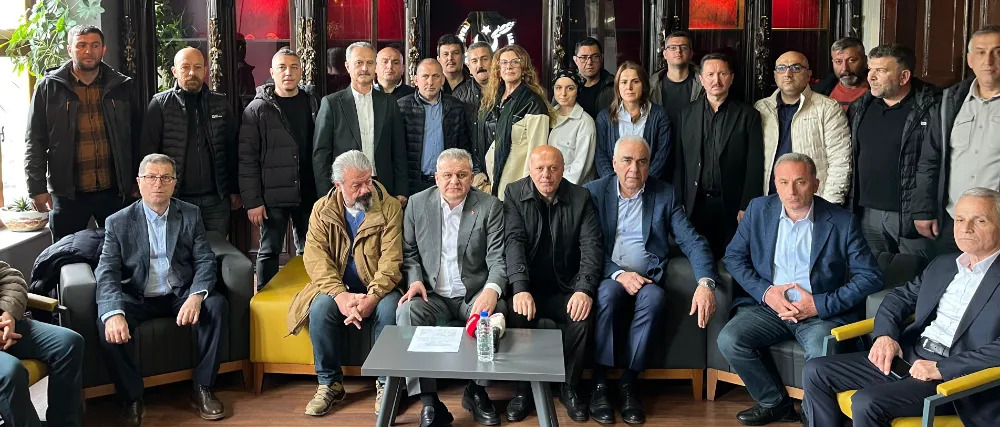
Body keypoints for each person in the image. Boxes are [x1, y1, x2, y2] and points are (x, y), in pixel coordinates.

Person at [804, 186, 1000, 427]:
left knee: (866, 402)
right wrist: (885, 336)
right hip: (909, 355)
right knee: (816, 371)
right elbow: (898, 298)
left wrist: (942, 368)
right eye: (960, 219)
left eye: (979, 220)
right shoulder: (944, 264)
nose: (966, 228)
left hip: (954, 378)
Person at [718, 153, 882, 426]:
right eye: (783, 182)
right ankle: (775, 404)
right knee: (730, 339)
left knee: (821, 348)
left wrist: (819, 304)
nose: (791, 191)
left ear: (816, 184)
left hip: (819, 314)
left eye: (800, 182)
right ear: (775, 183)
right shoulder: (758, 209)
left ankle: (812, 413)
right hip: (770, 308)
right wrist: (766, 292)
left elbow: (871, 277)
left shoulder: (842, 221)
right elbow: (733, 257)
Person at [584, 136, 719, 425]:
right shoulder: (594, 192)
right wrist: (619, 274)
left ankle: (629, 382)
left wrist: (705, 282)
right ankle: (600, 383)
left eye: (642, 162)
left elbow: (692, 241)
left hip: (647, 279)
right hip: (610, 275)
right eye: (627, 161)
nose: (634, 169)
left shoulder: (664, 194)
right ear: (614, 164)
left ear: (649, 165)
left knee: (656, 298)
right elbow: (588, 246)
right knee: (607, 294)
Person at [95, 154, 229, 425]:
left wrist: (196, 295)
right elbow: (107, 271)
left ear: (174, 183)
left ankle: (203, 386)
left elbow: (205, 260)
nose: (158, 183)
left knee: (216, 305)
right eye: (151, 177)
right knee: (105, 323)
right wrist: (113, 312)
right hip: (138, 296)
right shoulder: (118, 222)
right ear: (139, 182)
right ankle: (132, 398)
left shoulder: (190, 214)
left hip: (179, 293)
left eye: (166, 177)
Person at [285, 150, 403, 416]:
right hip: (338, 287)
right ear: (338, 185)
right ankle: (329, 384)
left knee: (390, 309)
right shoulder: (321, 210)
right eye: (356, 185)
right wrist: (340, 295)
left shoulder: (389, 207)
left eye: (368, 181)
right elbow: (316, 260)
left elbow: (392, 261)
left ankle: (386, 384)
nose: (365, 189)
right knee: (320, 308)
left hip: (379, 287)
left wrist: (372, 297)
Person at [396, 148, 508, 427]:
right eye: (447, 175)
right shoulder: (417, 204)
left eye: (461, 175)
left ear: (472, 177)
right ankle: (429, 402)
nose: (454, 181)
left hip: (473, 294)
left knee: (495, 313)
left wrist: (492, 290)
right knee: (407, 312)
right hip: (432, 294)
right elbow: (409, 252)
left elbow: (497, 258)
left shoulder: (490, 206)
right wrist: (415, 279)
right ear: (436, 178)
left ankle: (477, 391)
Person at [503, 146, 602, 422]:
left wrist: (583, 289)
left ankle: (570, 387)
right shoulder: (513, 193)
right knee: (515, 312)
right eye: (540, 168)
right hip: (530, 288)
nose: (546, 175)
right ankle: (523, 390)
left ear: (562, 169)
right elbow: (513, 242)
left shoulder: (581, 197)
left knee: (583, 316)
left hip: (566, 287)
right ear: (530, 169)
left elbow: (591, 247)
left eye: (553, 168)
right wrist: (520, 287)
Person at [25, 25, 140, 242]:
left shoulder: (122, 86)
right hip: (68, 194)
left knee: (121, 252)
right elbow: (35, 141)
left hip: (114, 192)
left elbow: (135, 136)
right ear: (69, 49)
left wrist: (137, 179)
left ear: (103, 49)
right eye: (81, 45)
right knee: (65, 254)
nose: (89, 51)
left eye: (95, 45)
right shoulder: (48, 88)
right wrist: (36, 187)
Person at [914, 25, 1000, 255]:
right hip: (953, 221)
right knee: (948, 275)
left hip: (996, 225)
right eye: (981, 52)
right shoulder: (949, 101)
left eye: (997, 52)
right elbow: (929, 159)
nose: (989, 61)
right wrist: (924, 210)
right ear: (970, 60)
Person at [848, 44, 939, 261]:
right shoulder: (860, 106)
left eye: (881, 70)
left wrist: (925, 210)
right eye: (870, 69)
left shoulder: (933, 106)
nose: (871, 77)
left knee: (914, 273)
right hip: (866, 212)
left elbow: (936, 163)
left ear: (904, 76)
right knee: (873, 273)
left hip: (910, 215)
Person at [239, 48, 319, 289]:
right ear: (272, 72)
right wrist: (253, 201)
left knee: (310, 250)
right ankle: (263, 297)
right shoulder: (257, 109)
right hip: (272, 195)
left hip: (308, 190)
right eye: (282, 67)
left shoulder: (312, 102)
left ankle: (309, 297)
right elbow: (247, 158)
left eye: (294, 67)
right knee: (269, 250)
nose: (288, 73)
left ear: (301, 71)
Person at [140, 47, 241, 233]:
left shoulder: (220, 103)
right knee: (178, 249)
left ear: (205, 70)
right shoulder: (160, 104)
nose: (192, 72)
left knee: (215, 249)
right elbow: (148, 154)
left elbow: (232, 149)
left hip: (216, 201)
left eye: (197, 67)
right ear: (174, 71)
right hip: (176, 199)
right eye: (185, 67)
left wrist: (235, 189)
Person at [675, 53, 765, 258]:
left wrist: (747, 205)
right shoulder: (686, 113)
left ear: (731, 78)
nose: (716, 80)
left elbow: (754, 164)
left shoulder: (748, 115)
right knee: (697, 258)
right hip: (695, 203)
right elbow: (680, 162)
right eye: (710, 74)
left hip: (731, 204)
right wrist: (679, 200)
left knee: (732, 260)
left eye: (722, 74)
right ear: (701, 79)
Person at [313, 41, 409, 201]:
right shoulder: (331, 103)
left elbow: (399, 149)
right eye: (359, 63)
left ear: (375, 66)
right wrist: (326, 196)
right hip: (345, 190)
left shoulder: (389, 102)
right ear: (348, 66)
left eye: (370, 63)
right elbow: (321, 154)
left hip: (383, 188)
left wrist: (401, 190)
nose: (365, 68)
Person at [757, 50, 852, 205]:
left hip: (813, 202)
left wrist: (830, 204)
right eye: (781, 68)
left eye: (796, 68)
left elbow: (840, 160)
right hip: (769, 200)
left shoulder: (827, 108)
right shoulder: (761, 108)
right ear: (775, 75)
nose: (788, 74)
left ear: (808, 75)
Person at [0, 261, 84, 427]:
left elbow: (11, 279)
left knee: (69, 343)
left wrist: (9, 314)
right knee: (10, 372)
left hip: (6, 325)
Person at [477, 44, 551, 199]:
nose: (508, 66)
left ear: (524, 68)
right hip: (489, 185)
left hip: (517, 188)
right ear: (498, 69)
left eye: (515, 62)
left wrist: (526, 191)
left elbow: (536, 153)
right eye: (504, 62)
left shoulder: (534, 103)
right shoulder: (491, 101)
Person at [397, 59, 475, 194]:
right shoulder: (401, 107)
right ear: (416, 80)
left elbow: (464, 147)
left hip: (448, 183)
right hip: (413, 184)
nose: (430, 82)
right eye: (425, 76)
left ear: (442, 79)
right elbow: (396, 152)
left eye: (435, 76)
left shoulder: (456, 107)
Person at [595, 62, 672, 182]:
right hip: (614, 185)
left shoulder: (660, 116)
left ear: (644, 85)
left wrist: (643, 182)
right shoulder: (604, 117)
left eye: (635, 82)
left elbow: (662, 156)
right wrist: (615, 183)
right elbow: (601, 156)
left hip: (649, 185)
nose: (629, 87)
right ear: (617, 86)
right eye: (624, 82)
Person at [548, 69, 597, 184]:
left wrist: (558, 187)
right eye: (558, 88)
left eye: (570, 88)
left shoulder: (585, 122)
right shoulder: (548, 116)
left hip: (571, 188)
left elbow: (581, 167)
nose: (563, 93)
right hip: (547, 185)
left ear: (577, 91)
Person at [649, 31, 705, 119]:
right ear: (665, 54)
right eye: (673, 48)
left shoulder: (704, 85)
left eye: (684, 47)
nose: (678, 51)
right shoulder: (651, 86)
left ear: (691, 54)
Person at [812, 37, 869, 111]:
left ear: (864, 60)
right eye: (838, 61)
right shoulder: (819, 92)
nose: (844, 68)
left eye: (851, 60)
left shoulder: (878, 91)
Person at [572, 37, 615, 120]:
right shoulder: (566, 85)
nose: (589, 62)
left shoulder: (613, 85)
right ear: (575, 60)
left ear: (601, 58)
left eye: (595, 57)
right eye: (583, 57)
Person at [454, 41, 493, 130]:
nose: (480, 65)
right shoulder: (459, 95)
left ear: (493, 61)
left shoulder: (506, 90)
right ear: (469, 67)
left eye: (484, 59)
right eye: (474, 61)